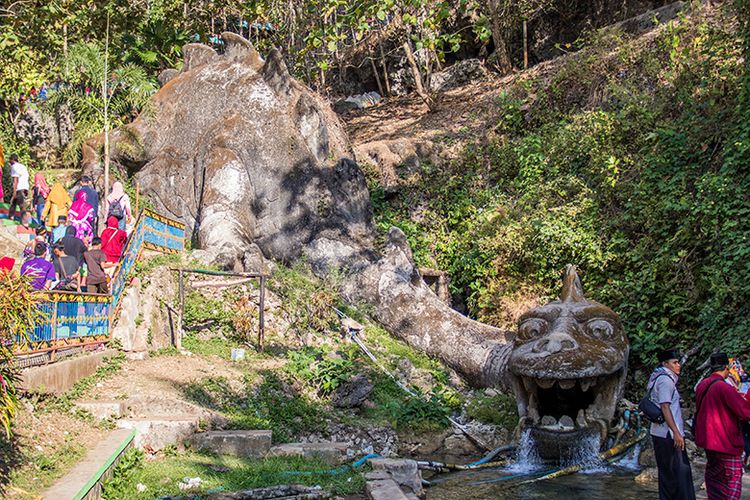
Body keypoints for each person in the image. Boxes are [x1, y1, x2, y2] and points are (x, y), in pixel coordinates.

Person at [694, 353, 750, 500]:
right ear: (727, 368)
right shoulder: (724, 388)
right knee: (732, 480)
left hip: (708, 442)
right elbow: (744, 411)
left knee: (714, 480)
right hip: (725, 442)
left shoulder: (702, 385)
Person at [647, 348, 695, 500]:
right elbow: (665, 406)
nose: (678, 365)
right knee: (677, 472)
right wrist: (676, 432)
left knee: (670, 473)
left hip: (661, 432)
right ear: (665, 364)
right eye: (674, 362)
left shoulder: (657, 378)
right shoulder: (666, 380)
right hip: (667, 434)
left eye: (678, 362)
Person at [8, 154, 29, 220]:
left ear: (13, 160)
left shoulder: (14, 166)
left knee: (21, 204)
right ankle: (11, 216)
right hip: (25, 186)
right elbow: (26, 178)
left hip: (19, 187)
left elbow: (15, 180)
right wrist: (26, 189)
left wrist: (14, 192)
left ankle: (25, 221)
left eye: (10, 160)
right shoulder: (23, 166)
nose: (9, 162)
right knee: (13, 202)